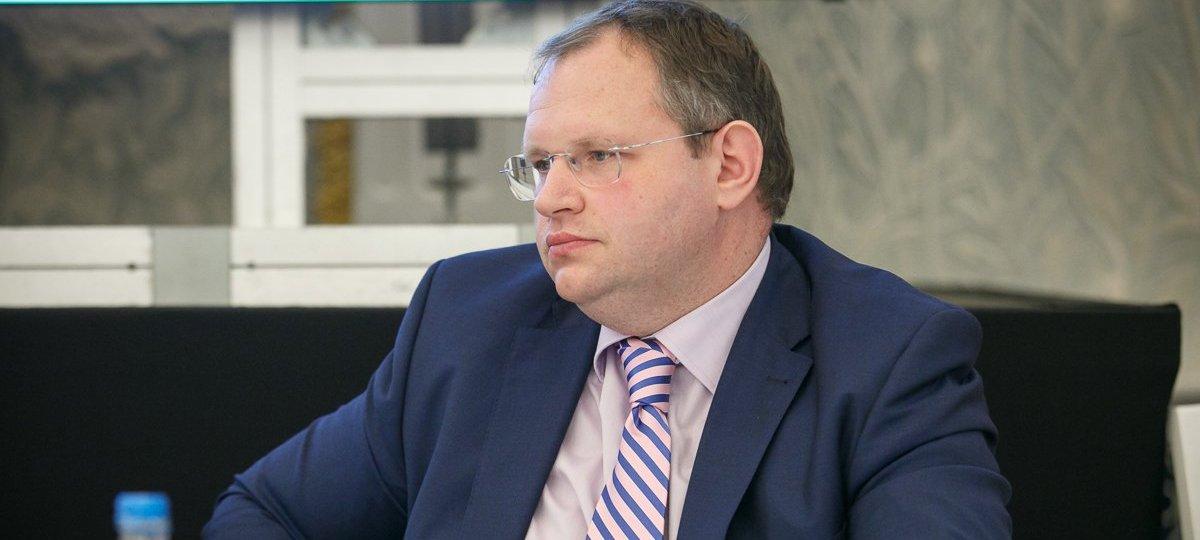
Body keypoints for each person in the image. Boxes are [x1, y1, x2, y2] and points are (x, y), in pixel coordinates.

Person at [204, 1, 1011, 538]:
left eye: (597, 156)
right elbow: (263, 513)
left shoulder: (887, 360)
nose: (551, 197)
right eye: (540, 164)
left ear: (729, 165)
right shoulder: (467, 320)